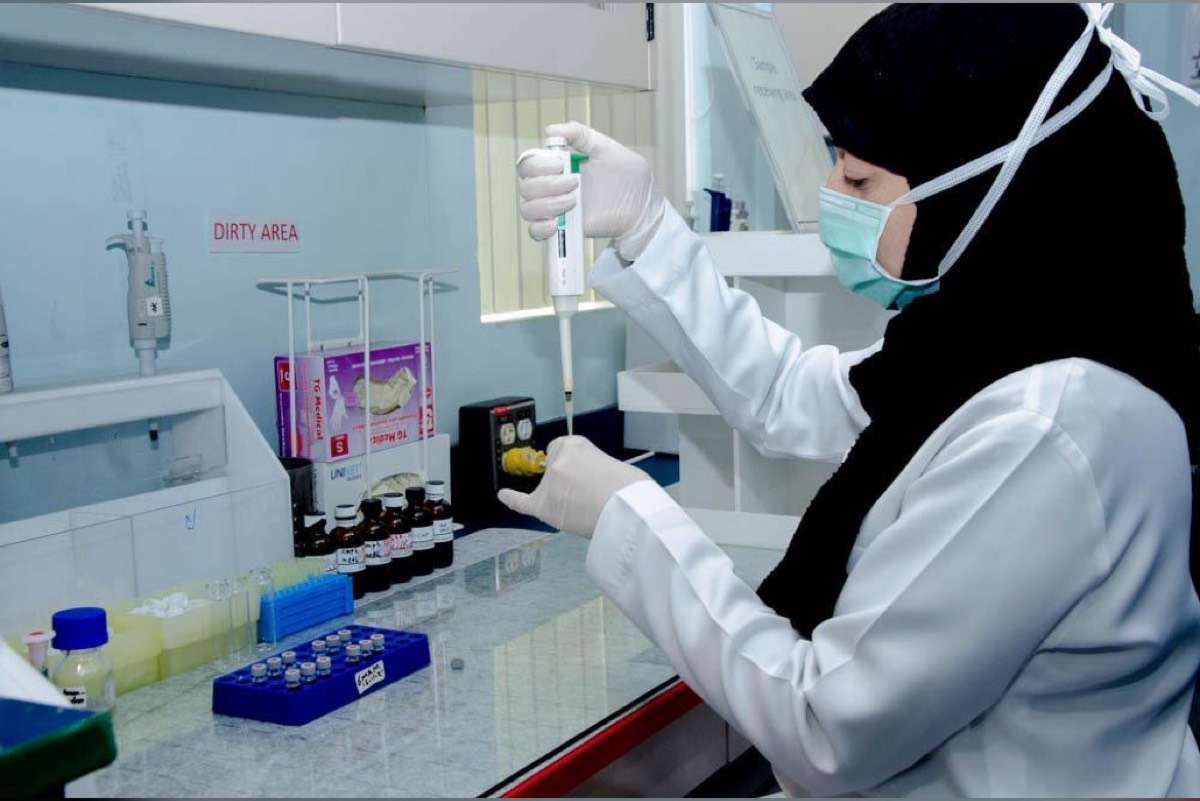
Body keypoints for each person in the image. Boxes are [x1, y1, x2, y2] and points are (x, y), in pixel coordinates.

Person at [501, 4, 1200, 797]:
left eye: (859, 178)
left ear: (979, 189)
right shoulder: (998, 336)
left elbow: (828, 724)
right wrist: (646, 226)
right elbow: (793, 395)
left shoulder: (1049, 425)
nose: (831, 192)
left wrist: (633, 520)